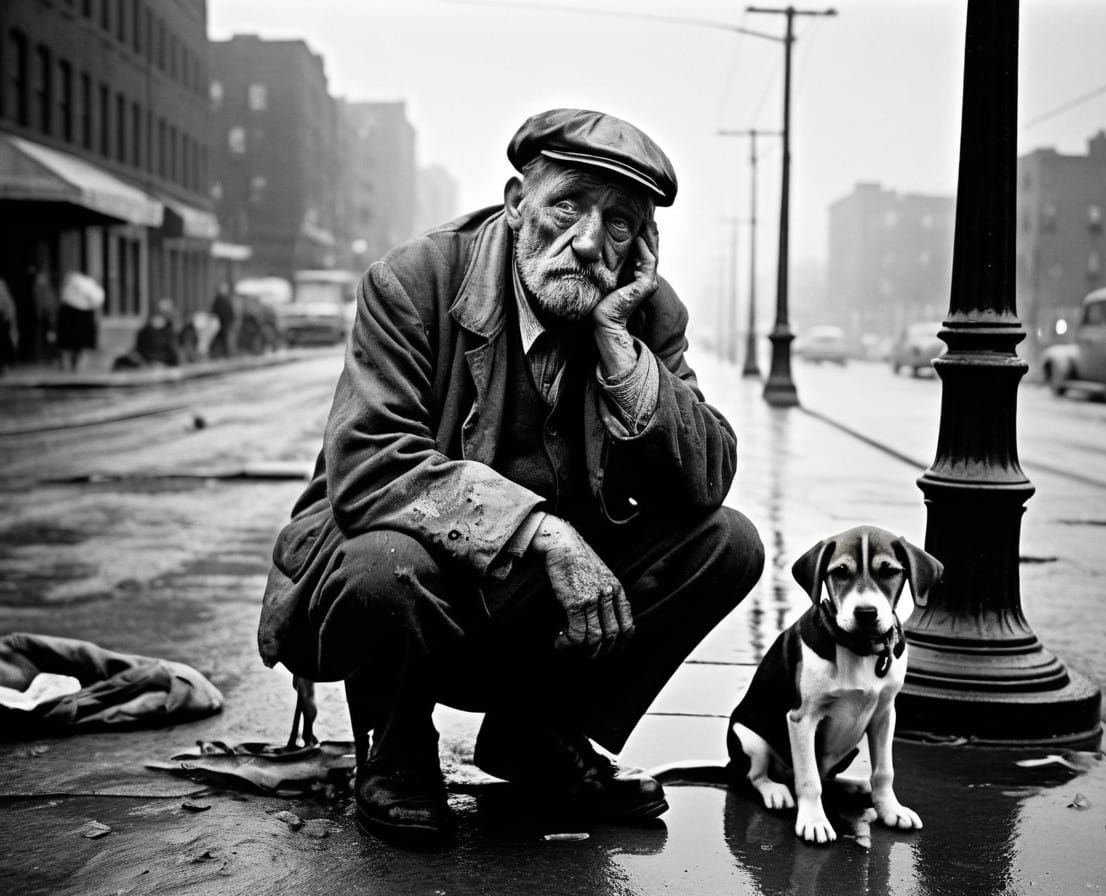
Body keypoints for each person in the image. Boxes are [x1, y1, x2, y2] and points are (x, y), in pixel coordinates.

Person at [257, 109, 766, 844]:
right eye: (567, 206)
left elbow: (709, 478)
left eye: (619, 224)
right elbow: (370, 461)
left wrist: (622, 354)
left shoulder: (648, 314)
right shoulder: (415, 280)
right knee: (382, 564)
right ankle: (396, 747)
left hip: (531, 610)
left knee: (729, 544)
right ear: (516, 201)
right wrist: (542, 532)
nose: (588, 241)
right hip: (413, 588)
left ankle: (538, 735)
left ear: (641, 246)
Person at [57, 271, 103, 371]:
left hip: (74, 315)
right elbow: (96, 300)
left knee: (70, 341)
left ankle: (69, 361)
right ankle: (70, 361)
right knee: (73, 342)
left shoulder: (74, 284)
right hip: (79, 316)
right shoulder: (85, 284)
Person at [209, 283, 236, 358]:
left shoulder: (224, 299)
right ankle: (223, 353)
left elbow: (229, 311)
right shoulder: (221, 299)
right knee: (223, 338)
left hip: (225, 322)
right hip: (223, 322)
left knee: (224, 338)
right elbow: (215, 310)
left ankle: (224, 353)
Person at [0, 276, 17, 375]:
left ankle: (4, 367)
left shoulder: (5, 294)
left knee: (4, 345)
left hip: (4, 323)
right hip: (4, 322)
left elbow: (10, 310)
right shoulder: (5, 294)